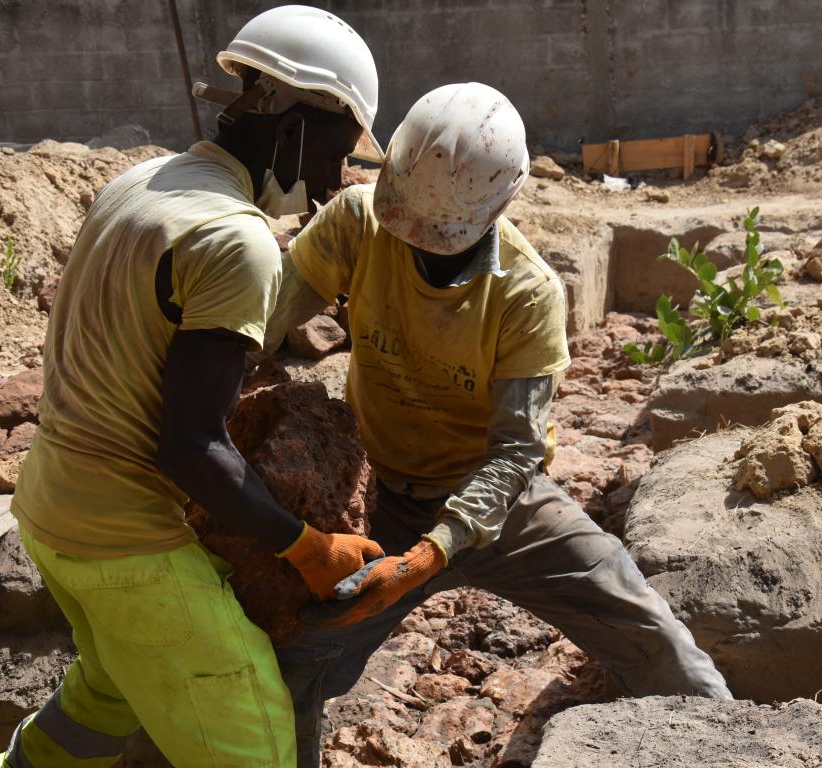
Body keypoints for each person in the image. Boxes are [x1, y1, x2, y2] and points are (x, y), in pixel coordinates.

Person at [262, 82, 733, 768]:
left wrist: (432, 553)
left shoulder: (527, 292)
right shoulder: (360, 222)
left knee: (650, 635)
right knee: (292, 660)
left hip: (502, 504)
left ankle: (741, 744)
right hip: (381, 498)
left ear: (497, 209)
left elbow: (514, 452)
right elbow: (264, 324)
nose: (420, 245)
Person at [0, 7, 387, 766]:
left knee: (108, 693)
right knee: (255, 739)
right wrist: (308, 547)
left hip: (47, 508)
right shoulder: (236, 240)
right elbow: (191, 448)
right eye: (340, 153)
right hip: (125, 541)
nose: (336, 181)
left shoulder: (142, 181)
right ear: (297, 126)